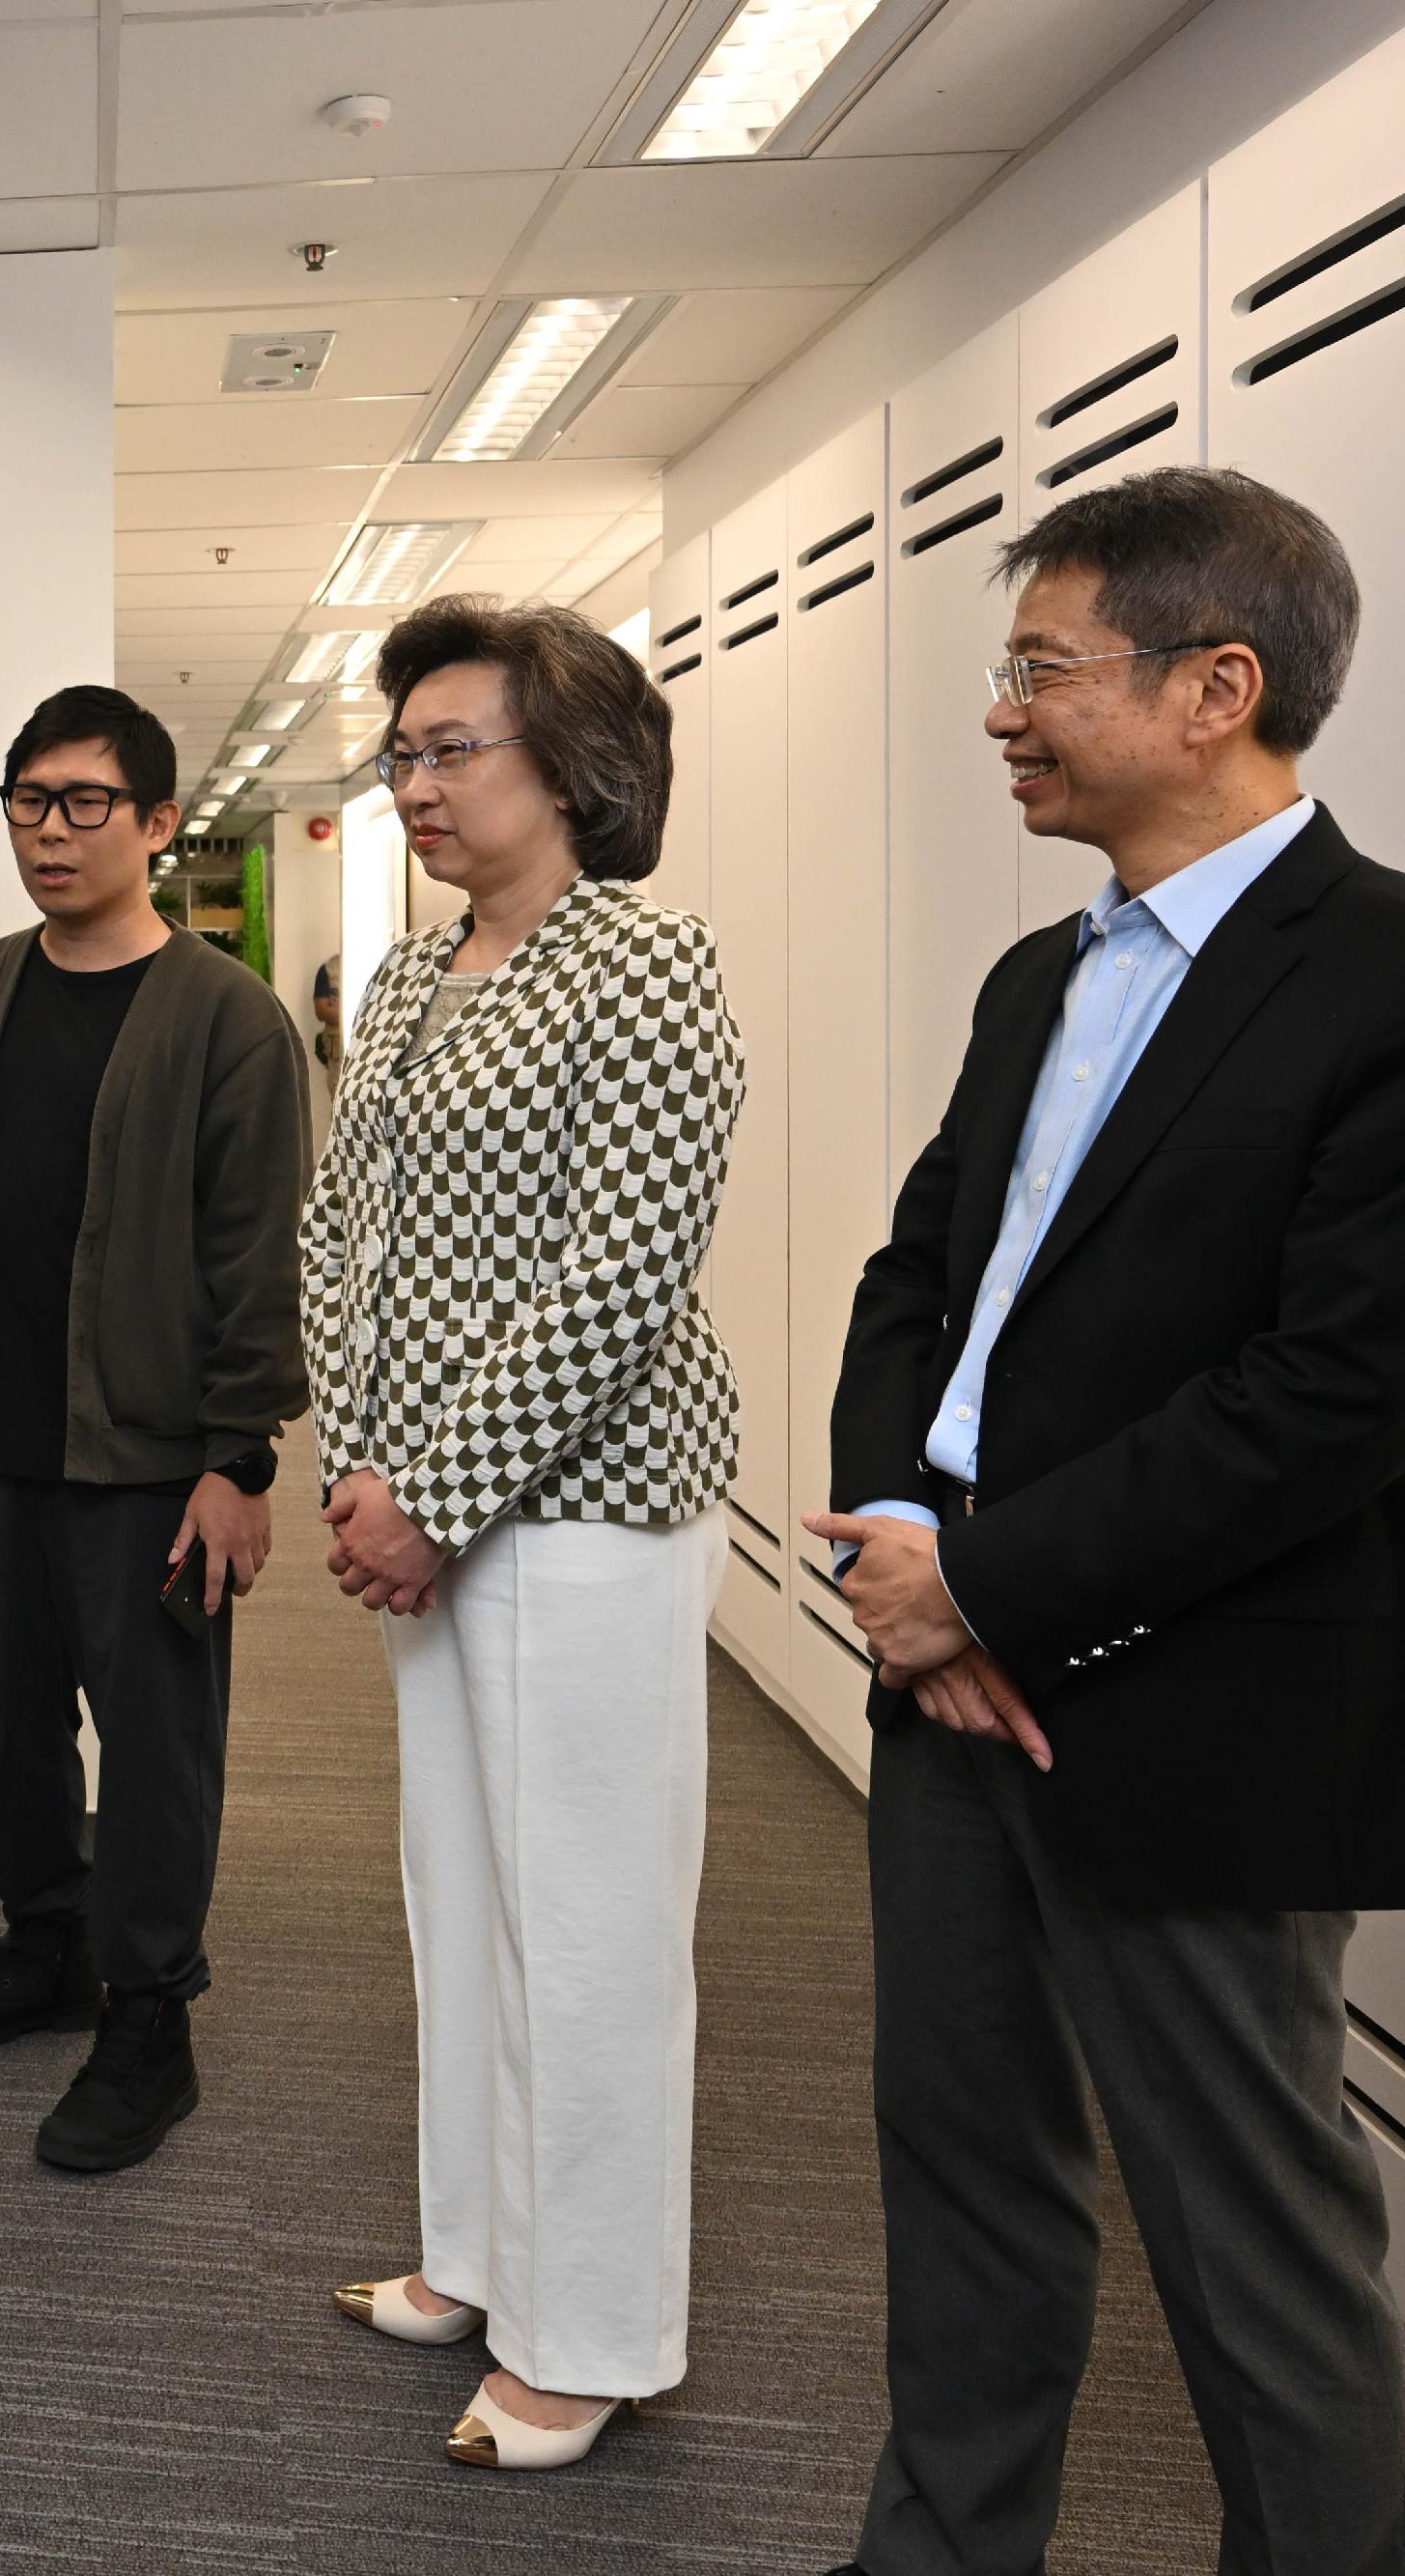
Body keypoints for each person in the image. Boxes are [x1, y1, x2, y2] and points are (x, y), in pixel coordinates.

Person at [805, 466, 1405, 2576]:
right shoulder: (1028, 983)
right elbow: (915, 1285)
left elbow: (1331, 1396)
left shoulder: (1380, 976)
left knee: (1255, 2252)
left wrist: (981, 1577)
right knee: (962, 2175)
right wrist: (897, 1533)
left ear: (1209, 686)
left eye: (1036, 667)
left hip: (1195, 1712)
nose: (1000, 711)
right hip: (939, 1667)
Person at [295, 596, 742, 2473]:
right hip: (416, 1505)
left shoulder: (642, 964)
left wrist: (431, 1486)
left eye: (447, 746)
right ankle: (478, 2254)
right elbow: (340, 1228)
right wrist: (353, 1460)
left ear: (566, 763)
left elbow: (612, 1272)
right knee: (458, 1897)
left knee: (583, 1924)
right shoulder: (405, 977)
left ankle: (592, 2332)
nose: (412, 780)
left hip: (587, 1510)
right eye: (396, 750)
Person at [0, 684, 310, 2176]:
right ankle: (47, 1946)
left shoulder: (227, 1021)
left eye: (86, 803)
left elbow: (260, 1255)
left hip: (157, 1466)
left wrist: (243, 1459)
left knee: (161, 1749)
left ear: (161, 826)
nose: (51, 831)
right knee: (6, 1713)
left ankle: (150, 2019)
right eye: (28, 801)